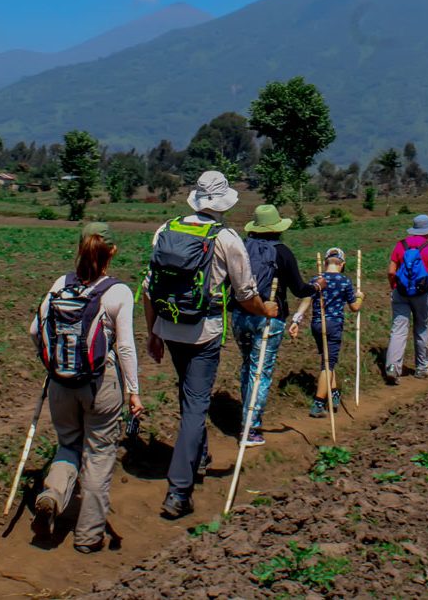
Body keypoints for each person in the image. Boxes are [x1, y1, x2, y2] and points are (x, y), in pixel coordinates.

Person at [143, 171, 278, 519]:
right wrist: (267, 309)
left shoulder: (166, 230)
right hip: (204, 332)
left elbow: (148, 288)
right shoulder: (226, 238)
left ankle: (198, 456)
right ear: (222, 204)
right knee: (195, 404)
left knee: (188, 394)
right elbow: (246, 294)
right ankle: (179, 491)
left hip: (170, 327)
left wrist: (154, 332)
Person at [30, 222, 143, 552]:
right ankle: (89, 537)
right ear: (112, 252)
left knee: (68, 445)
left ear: (79, 249)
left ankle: (52, 493)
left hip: (60, 383)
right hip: (99, 385)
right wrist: (134, 391)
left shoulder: (59, 284)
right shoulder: (117, 292)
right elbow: (124, 348)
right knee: (99, 455)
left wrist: (50, 362)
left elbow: (35, 330)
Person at [232, 204, 321, 446]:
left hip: (240, 315)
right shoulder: (282, 252)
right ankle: (251, 427)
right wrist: (316, 287)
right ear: (277, 229)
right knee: (260, 372)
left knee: (248, 365)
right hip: (269, 317)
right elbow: (299, 289)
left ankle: (246, 417)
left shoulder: (240, 247)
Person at [289, 247, 363, 416]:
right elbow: (354, 307)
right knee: (328, 365)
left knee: (327, 359)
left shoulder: (316, 279)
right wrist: (360, 297)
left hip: (316, 325)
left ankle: (334, 393)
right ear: (342, 264)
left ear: (325, 262)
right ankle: (318, 403)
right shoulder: (344, 281)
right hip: (333, 325)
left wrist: (296, 320)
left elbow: (306, 300)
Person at [384, 214, 428, 384]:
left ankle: (393, 368)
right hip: (422, 295)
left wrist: (393, 286)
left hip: (400, 292)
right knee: (421, 328)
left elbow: (390, 271)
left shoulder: (400, 245)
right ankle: (421, 368)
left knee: (398, 329)